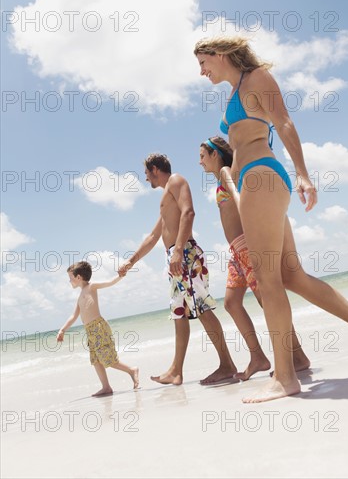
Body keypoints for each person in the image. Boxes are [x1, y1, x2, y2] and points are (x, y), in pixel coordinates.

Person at [194, 35, 348, 403]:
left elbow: (284, 123)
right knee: (292, 277)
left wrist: (303, 174)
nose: (202, 71)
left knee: (268, 279)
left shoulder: (256, 77)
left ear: (220, 54)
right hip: (254, 181)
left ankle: (285, 377)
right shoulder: (235, 91)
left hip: (262, 175)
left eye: (203, 62)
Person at [118, 153, 237, 386]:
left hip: (184, 255)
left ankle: (227, 365)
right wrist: (130, 262)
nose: (146, 179)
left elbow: (189, 212)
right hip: (175, 259)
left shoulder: (176, 180)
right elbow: (153, 236)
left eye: (146, 174)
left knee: (201, 309)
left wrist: (178, 249)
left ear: (154, 169)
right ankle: (176, 371)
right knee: (179, 315)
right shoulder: (166, 196)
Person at [200, 136, 310, 380]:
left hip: (248, 245)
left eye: (202, 156)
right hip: (236, 251)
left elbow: (240, 199)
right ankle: (258, 357)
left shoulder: (227, 172)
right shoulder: (220, 179)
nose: (200, 162)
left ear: (215, 154)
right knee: (231, 303)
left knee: (267, 299)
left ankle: (298, 356)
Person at [57, 261, 139, 396]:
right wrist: (63, 329)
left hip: (98, 327)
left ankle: (132, 370)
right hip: (90, 331)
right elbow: (73, 316)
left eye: (70, 278)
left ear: (78, 277)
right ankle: (106, 387)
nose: (69, 281)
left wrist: (120, 276)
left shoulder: (91, 287)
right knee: (96, 360)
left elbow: (109, 283)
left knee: (107, 358)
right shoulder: (79, 296)